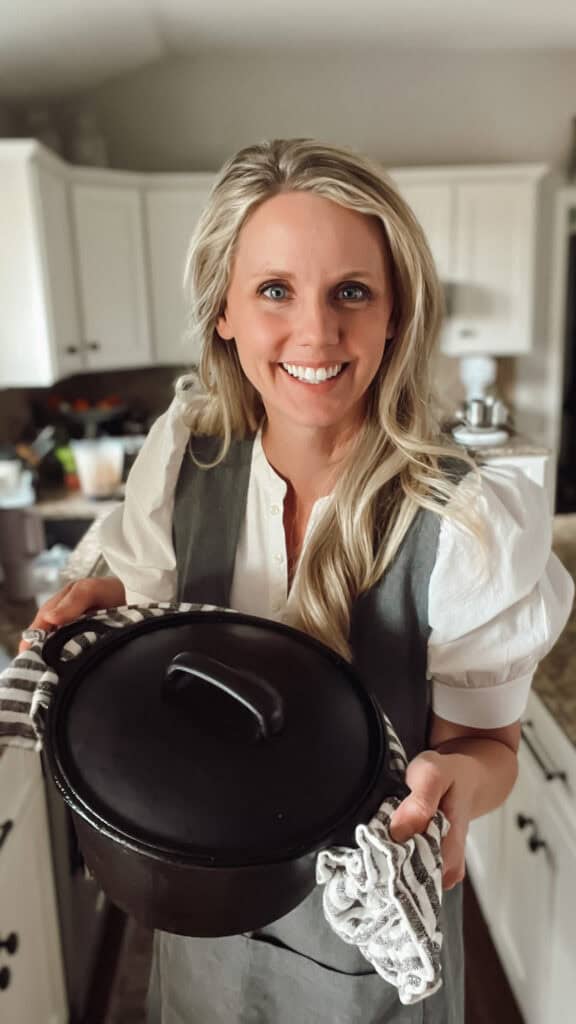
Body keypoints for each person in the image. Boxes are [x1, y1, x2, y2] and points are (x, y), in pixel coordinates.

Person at [25, 138, 573, 1023]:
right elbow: (149, 598)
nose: (316, 333)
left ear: (397, 314)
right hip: (196, 916)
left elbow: (493, 749)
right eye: (275, 289)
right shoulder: (183, 460)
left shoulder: (467, 523)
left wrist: (452, 784)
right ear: (225, 314)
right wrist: (113, 616)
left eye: (352, 291)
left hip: (369, 948)